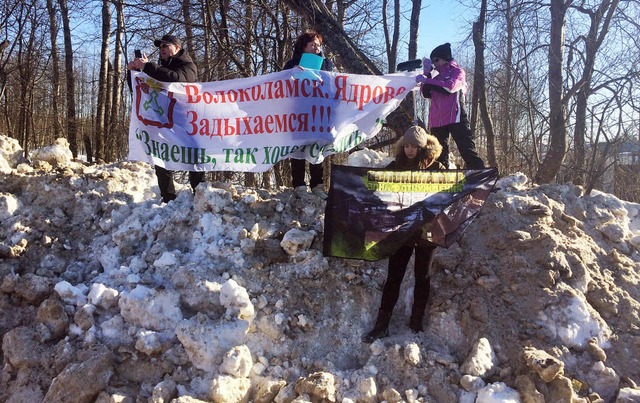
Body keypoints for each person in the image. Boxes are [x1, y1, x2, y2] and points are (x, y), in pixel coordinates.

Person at [362, 126, 446, 343]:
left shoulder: (437, 169)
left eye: (414, 146)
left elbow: (450, 193)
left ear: (423, 147)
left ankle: (416, 323)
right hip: (402, 231)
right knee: (394, 277)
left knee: (422, 277)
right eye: (406, 145)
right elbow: (376, 186)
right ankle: (381, 326)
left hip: (427, 232)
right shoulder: (395, 166)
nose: (410, 150)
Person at [127, 34, 205, 203]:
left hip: (186, 122)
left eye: (165, 46)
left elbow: (176, 79)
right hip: (164, 122)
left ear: (177, 48)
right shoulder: (157, 70)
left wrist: (148, 66)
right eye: (160, 47)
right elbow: (138, 89)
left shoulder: (188, 65)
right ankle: (168, 197)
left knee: (193, 159)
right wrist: (133, 71)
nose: (161, 49)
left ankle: (199, 196)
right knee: (161, 156)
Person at [416, 43, 485, 169]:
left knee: (466, 147)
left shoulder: (458, 72)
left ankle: (478, 171)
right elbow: (425, 94)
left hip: (455, 116)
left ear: (445, 58)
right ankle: (440, 175)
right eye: (432, 61)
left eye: (436, 60)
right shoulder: (435, 77)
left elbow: (450, 87)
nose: (434, 63)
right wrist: (427, 74)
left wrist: (428, 80)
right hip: (437, 119)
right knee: (438, 153)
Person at [283, 31, 335, 197]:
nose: (316, 48)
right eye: (312, 44)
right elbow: (281, 85)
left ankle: (318, 184)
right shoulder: (291, 64)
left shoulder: (327, 63)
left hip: (319, 112)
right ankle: (299, 185)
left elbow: (334, 82)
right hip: (298, 112)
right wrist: (293, 72)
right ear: (303, 47)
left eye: (318, 45)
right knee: (298, 147)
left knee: (316, 148)